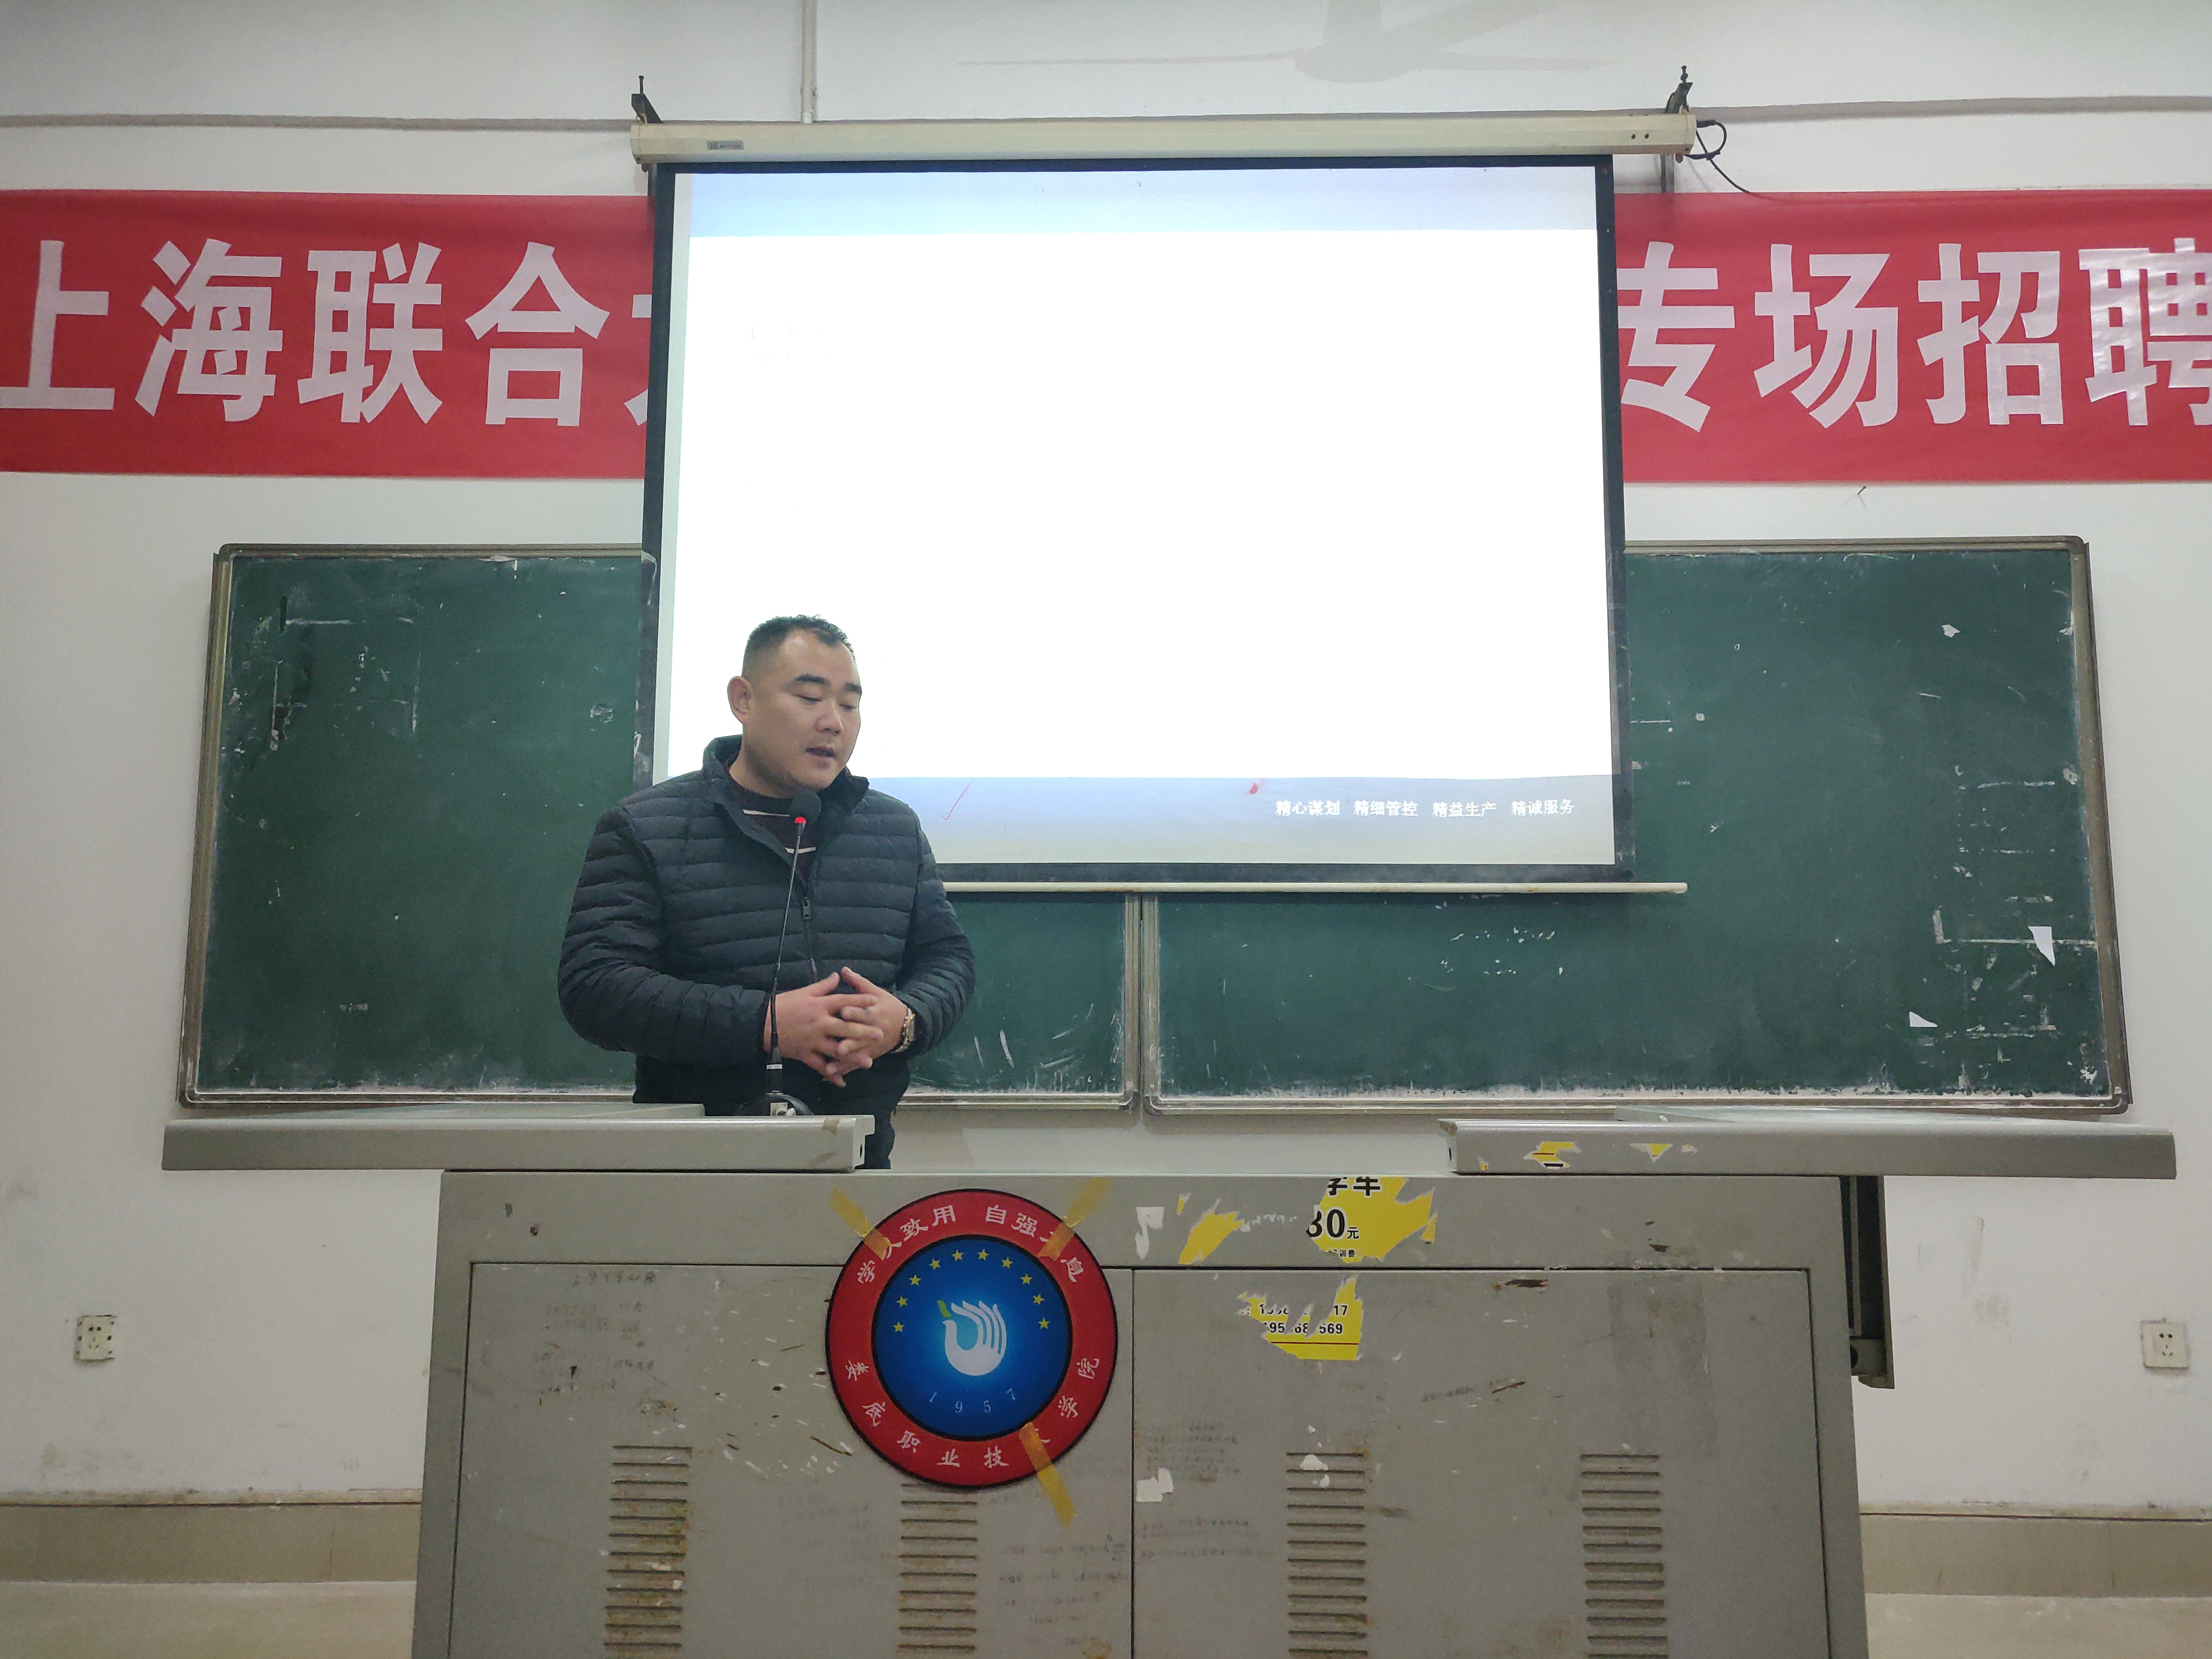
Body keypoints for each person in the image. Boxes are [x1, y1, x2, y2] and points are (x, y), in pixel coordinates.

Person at [558, 614, 974, 1167]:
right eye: (809, 697)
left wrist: (906, 1021)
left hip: (860, 1165)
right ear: (744, 700)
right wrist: (764, 1023)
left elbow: (947, 958)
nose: (833, 723)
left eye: (850, 705)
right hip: (692, 1165)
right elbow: (596, 988)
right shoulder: (647, 827)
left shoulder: (892, 829)